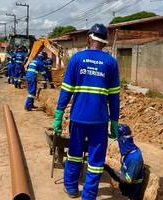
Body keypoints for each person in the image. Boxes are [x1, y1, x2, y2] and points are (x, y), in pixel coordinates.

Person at [53, 23, 120, 199]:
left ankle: (72, 188)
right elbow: (114, 97)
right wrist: (114, 121)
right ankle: (89, 196)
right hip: (99, 120)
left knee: (74, 153)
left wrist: (59, 115)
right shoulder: (111, 63)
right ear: (105, 42)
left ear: (89, 38)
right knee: (96, 161)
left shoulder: (77, 59)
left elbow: (66, 90)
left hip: (78, 117)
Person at [104, 124, 144, 200]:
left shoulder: (135, 158)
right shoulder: (128, 152)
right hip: (126, 186)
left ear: (123, 141)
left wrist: (111, 172)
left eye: (119, 141)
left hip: (133, 190)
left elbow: (128, 179)